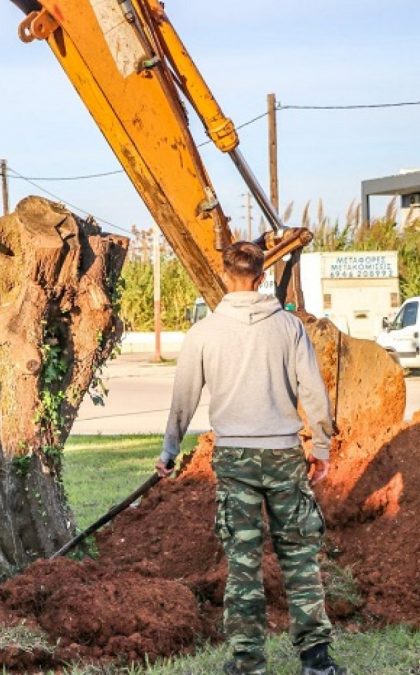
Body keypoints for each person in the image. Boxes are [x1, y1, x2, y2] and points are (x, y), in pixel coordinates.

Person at [156, 242, 344, 675]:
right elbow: (314, 391)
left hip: (234, 457)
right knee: (299, 558)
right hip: (283, 455)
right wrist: (320, 449)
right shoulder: (289, 328)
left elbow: (183, 400)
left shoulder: (204, 332)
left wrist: (169, 452)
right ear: (261, 278)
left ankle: (248, 663)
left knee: (242, 565)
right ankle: (317, 662)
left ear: (226, 276)